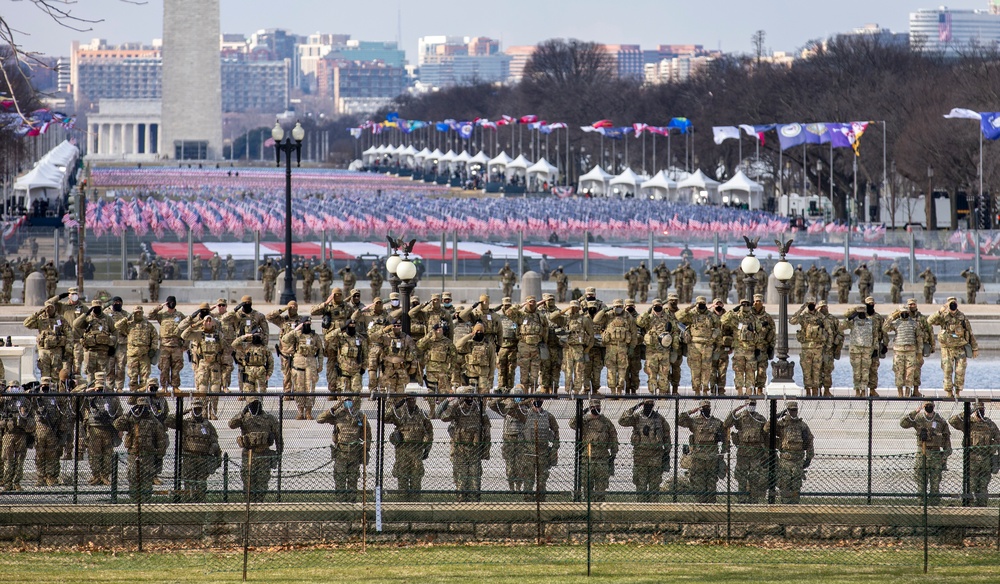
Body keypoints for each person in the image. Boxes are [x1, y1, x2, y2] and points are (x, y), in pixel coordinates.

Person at [437, 387, 491, 502]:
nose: (470, 399)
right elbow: (443, 416)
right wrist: (456, 403)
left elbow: (487, 427)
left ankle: (474, 503)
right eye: (467, 396)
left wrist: (486, 448)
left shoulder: (478, 408)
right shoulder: (457, 409)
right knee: (461, 478)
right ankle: (461, 503)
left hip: (475, 449)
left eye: (471, 396)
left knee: (475, 478)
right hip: (460, 449)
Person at [165, 398, 221, 502]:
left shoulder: (207, 425)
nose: (197, 412)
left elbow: (214, 441)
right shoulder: (185, 423)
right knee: (189, 481)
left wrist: (216, 456)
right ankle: (188, 502)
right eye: (195, 409)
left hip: (203, 458)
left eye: (199, 409)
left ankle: (200, 501)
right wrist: (183, 412)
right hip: (189, 458)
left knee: (201, 482)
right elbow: (168, 421)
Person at [113, 396, 167, 502]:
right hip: (133, 455)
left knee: (146, 480)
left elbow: (161, 440)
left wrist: (159, 456)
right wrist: (128, 414)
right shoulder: (132, 419)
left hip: (148, 456)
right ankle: (134, 501)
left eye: (144, 407)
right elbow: (116, 424)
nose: (142, 409)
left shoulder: (154, 421)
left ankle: (146, 502)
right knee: (133, 478)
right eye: (140, 406)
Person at [317, 396, 371, 502]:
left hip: (355, 452)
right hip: (341, 452)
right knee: (340, 478)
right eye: (345, 401)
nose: (348, 403)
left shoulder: (359, 415)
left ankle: (352, 502)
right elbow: (320, 419)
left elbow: (367, 433)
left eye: (349, 401)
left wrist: (366, 449)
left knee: (353, 478)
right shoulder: (338, 414)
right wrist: (334, 408)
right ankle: (340, 502)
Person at [384, 387, 434, 501]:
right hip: (402, 450)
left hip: (416, 450)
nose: (412, 401)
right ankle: (402, 502)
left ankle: (415, 502)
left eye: (413, 398)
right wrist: (395, 406)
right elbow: (384, 418)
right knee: (402, 476)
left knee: (416, 477)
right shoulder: (400, 413)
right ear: (405, 400)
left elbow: (429, 431)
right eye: (409, 399)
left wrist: (427, 448)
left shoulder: (421, 414)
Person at [506, 395, 559, 502]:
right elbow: (508, 409)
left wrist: (554, 448)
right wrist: (524, 401)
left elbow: (556, 431)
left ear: (543, 400)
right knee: (528, 480)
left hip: (543, 454)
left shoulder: (548, 416)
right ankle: (528, 501)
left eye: (540, 399)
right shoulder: (525, 415)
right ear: (531, 400)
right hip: (528, 454)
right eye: (535, 399)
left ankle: (541, 501)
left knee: (542, 481)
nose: (537, 401)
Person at [229, 397, 281, 502]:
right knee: (248, 481)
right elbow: (231, 424)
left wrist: (279, 453)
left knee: (262, 482)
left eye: (257, 403)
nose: (255, 406)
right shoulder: (245, 418)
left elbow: (278, 437)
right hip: (248, 455)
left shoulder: (269, 418)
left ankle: (259, 504)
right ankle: (249, 504)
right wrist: (242, 413)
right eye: (252, 404)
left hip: (264, 455)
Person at [948, 401, 1000, 507]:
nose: (981, 412)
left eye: (982, 409)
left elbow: (998, 439)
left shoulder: (989, 424)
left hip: (986, 460)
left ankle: (982, 506)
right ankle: (970, 506)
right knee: (971, 484)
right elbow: (952, 421)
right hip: (972, 459)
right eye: (979, 410)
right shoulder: (969, 423)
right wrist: (967, 412)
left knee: (983, 485)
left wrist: (998, 459)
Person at [900, 401, 951, 505]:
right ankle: (921, 505)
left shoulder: (940, 420)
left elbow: (946, 439)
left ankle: (934, 504)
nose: (928, 407)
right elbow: (903, 423)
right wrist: (915, 412)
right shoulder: (918, 418)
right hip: (922, 453)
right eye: (926, 405)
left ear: (934, 406)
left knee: (935, 483)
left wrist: (945, 456)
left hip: (936, 454)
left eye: (930, 405)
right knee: (921, 482)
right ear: (923, 406)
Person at [619, 398, 670, 502]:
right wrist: (635, 407)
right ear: (643, 405)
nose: (649, 406)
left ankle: (653, 509)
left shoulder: (659, 419)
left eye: (651, 404)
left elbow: (667, 435)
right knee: (641, 484)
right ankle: (641, 508)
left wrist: (666, 452)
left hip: (656, 457)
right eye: (646, 404)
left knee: (654, 485)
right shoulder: (637, 417)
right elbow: (622, 421)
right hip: (640, 457)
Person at [928, 296, 978, 398]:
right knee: (947, 370)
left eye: (954, 303)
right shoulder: (943, 316)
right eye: (951, 303)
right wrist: (940, 311)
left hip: (960, 347)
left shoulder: (962, 317)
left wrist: (974, 348)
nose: (952, 305)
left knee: (960, 371)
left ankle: (958, 392)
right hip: (947, 348)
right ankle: (949, 392)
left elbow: (970, 332)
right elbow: (929, 321)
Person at [765, 401, 814, 504]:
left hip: (798, 461)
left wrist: (809, 458)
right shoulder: (782, 424)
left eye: (795, 410)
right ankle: (784, 508)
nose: (793, 412)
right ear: (787, 411)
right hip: (785, 461)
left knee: (796, 487)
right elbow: (766, 428)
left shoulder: (802, 425)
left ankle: (794, 507)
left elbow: (809, 441)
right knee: (785, 485)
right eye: (791, 410)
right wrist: (776, 416)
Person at [678, 399, 726, 503]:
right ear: (700, 409)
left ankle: (711, 509)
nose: (706, 409)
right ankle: (699, 508)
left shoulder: (716, 422)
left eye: (707, 407)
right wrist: (692, 411)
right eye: (703, 408)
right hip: (698, 459)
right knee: (699, 484)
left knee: (711, 485)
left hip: (712, 459)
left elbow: (725, 436)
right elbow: (679, 420)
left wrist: (722, 452)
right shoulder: (694, 421)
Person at [570, 398, 618, 501]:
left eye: (597, 407)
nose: (595, 409)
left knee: (601, 487)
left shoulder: (605, 421)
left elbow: (613, 436)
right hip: (588, 457)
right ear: (590, 408)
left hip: (602, 458)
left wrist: (614, 453)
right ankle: (589, 510)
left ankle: (600, 512)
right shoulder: (585, 420)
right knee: (587, 486)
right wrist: (582, 413)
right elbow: (572, 424)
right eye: (593, 407)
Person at [180, 310, 224, 418]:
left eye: (210, 321)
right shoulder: (199, 334)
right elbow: (184, 335)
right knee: (202, 389)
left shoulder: (218, 335)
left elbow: (224, 348)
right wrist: (195, 325)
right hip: (203, 364)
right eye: (206, 321)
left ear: (213, 323)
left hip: (215, 364)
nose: (208, 323)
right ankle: (203, 412)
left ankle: (213, 412)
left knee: (215, 390)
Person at [81, 373, 122, 486]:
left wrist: (120, 429)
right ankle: (96, 476)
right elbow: (75, 398)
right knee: (94, 454)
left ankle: (105, 476)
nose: (99, 388)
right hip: (94, 428)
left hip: (108, 428)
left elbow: (118, 411)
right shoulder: (89, 396)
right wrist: (88, 390)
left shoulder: (110, 395)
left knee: (107, 454)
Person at [724, 399, 768, 503]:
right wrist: (734, 411)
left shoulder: (760, 418)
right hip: (743, 452)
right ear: (746, 405)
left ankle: (754, 501)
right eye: (749, 404)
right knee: (741, 478)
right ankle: (741, 500)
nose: (751, 406)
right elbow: (726, 424)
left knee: (755, 477)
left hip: (756, 453)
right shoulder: (740, 416)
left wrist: (765, 451)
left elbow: (765, 434)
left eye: (753, 404)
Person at [677, 296, 721, 396]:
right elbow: (678, 316)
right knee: (695, 368)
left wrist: (718, 344)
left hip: (707, 345)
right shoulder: (691, 314)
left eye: (703, 303)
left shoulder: (711, 315)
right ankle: (696, 390)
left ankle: (705, 389)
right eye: (699, 303)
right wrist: (691, 306)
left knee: (706, 369)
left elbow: (718, 328)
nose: (701, 305)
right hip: (694, 345)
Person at [505, 296, 549, 393]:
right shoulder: (521, 315)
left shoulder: (540, 316)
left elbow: (546, 329)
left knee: (534, 374)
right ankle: (525, 395)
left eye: (533, 302)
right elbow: (508, 313)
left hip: (536, 348)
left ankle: (533, 396)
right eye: (530, 302)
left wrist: (543, 343)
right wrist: (521, 305)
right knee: (524, 374)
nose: (532, 304)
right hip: (523, 347)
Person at [282, 318, 324, 420]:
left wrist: (320, 364)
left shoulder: (315, 336)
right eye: (305, 323)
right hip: (298, 363)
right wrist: (296, 329)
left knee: (310, 388)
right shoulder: (297, 334)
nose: (307, 325)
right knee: (299, 387)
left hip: (311, 363)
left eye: (309, 323)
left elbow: (320, 351)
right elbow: (284, 339)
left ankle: (308, 412)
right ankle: (300, 411)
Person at [883, 304, 925, 397]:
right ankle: (900, 394)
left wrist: (919, 353)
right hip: (898, 351)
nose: (904, 314)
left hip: (911, 351)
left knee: (910, 372)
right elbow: (885, 328)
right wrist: (893, 316)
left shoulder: (914, 323)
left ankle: (907, 393)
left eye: (906, 312)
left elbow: (919, 338)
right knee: (898, 372)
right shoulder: (896, 323)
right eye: (902, 312)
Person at [24, 300, 71, 381]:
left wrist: (68, 348)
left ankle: (55, 392)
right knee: (44, 375)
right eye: (47, 307)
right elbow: (26, 324)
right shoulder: (40, 319)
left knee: (56, 374)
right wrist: (39, 312)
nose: (49, 309)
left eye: (51, 307)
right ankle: (45, 392)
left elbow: (69, 333)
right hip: (44, 350)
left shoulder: (60, 319)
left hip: (56, 351)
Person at [115, 306, 159, 391]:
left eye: (140, 312)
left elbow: (155, 337)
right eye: (136, 313)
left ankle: (142, 398)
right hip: (132, 355)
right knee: (132, 378)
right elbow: (117, 326)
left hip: (145, 355)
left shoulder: (148, 325)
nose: (138, 314)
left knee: (145, 378)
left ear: (142, 313)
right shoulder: (129, 325)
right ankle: (133, 397)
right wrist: (126, 318)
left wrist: (153, 349)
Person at [790, 301, 829, 397]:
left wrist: (823, 327)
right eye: (809, 303)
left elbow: (829, 331)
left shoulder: (820, 316)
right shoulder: (803, 316)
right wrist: (802, 307)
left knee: (816, 371)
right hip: (806, 348)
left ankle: (815, 392)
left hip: (818, 348)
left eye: (813, 303)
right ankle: (808, 391)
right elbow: (792, 321)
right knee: (806, 371)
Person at [72, 300, 117, 383]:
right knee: (90, 374)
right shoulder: (88, 318)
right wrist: (85, 314)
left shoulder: (107, 318)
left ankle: (101, 392)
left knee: (102, 374)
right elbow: (75, 324)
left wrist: (112, 345)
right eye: (95, 308)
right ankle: (90, 393)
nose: (97, 309)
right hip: (90, 351)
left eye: (98, 307)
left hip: (103, 351)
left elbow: (114, 330)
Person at [1, 383, 35, 491]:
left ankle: (16, 482)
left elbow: (32, 418)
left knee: (20, 460)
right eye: (12, 387)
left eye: (16, 387)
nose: (14, 389)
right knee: (8, 459)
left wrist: (24, 421)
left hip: (21, 434)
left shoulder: (24, 401)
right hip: (8, 434)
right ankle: (7, 483)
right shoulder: (5, 400)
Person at [150, 297, 186, 394]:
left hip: (177, 346)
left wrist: (185, 345)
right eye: (169, 302)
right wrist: (159, 307)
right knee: (163, 368)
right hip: (164, 346)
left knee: (176, 368)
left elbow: (187, 328)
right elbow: (150, 315)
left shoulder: (180, 315)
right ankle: (163, 386)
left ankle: (175, 387)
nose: (171, 303)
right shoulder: (162, 315)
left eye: (173, 302)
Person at [232, 332, 273, 397]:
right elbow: (234, 344)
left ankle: (258, 406)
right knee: (249, 394)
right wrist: (245, 336)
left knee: (260, 394)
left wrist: (269, 374)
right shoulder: (246, 346)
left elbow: (270, 362)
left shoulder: (264, 348)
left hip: (261, 373)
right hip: (248, 373)